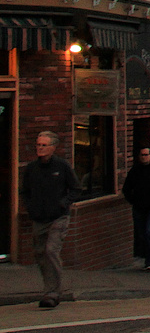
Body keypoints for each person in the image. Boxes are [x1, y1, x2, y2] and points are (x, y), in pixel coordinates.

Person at [21, 132, 78, 308]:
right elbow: (25, 191)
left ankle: (53, 293)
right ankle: (49, 289)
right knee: (40, 254)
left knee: (51, 250)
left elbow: (76, 188)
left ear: (53, 147)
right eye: (38, 144)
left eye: (44, 145)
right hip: (39, 218)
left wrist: (64, 204)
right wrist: (30, 207)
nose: (40, 148)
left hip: (58, 217)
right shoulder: (32, 168)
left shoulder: (62, 166)